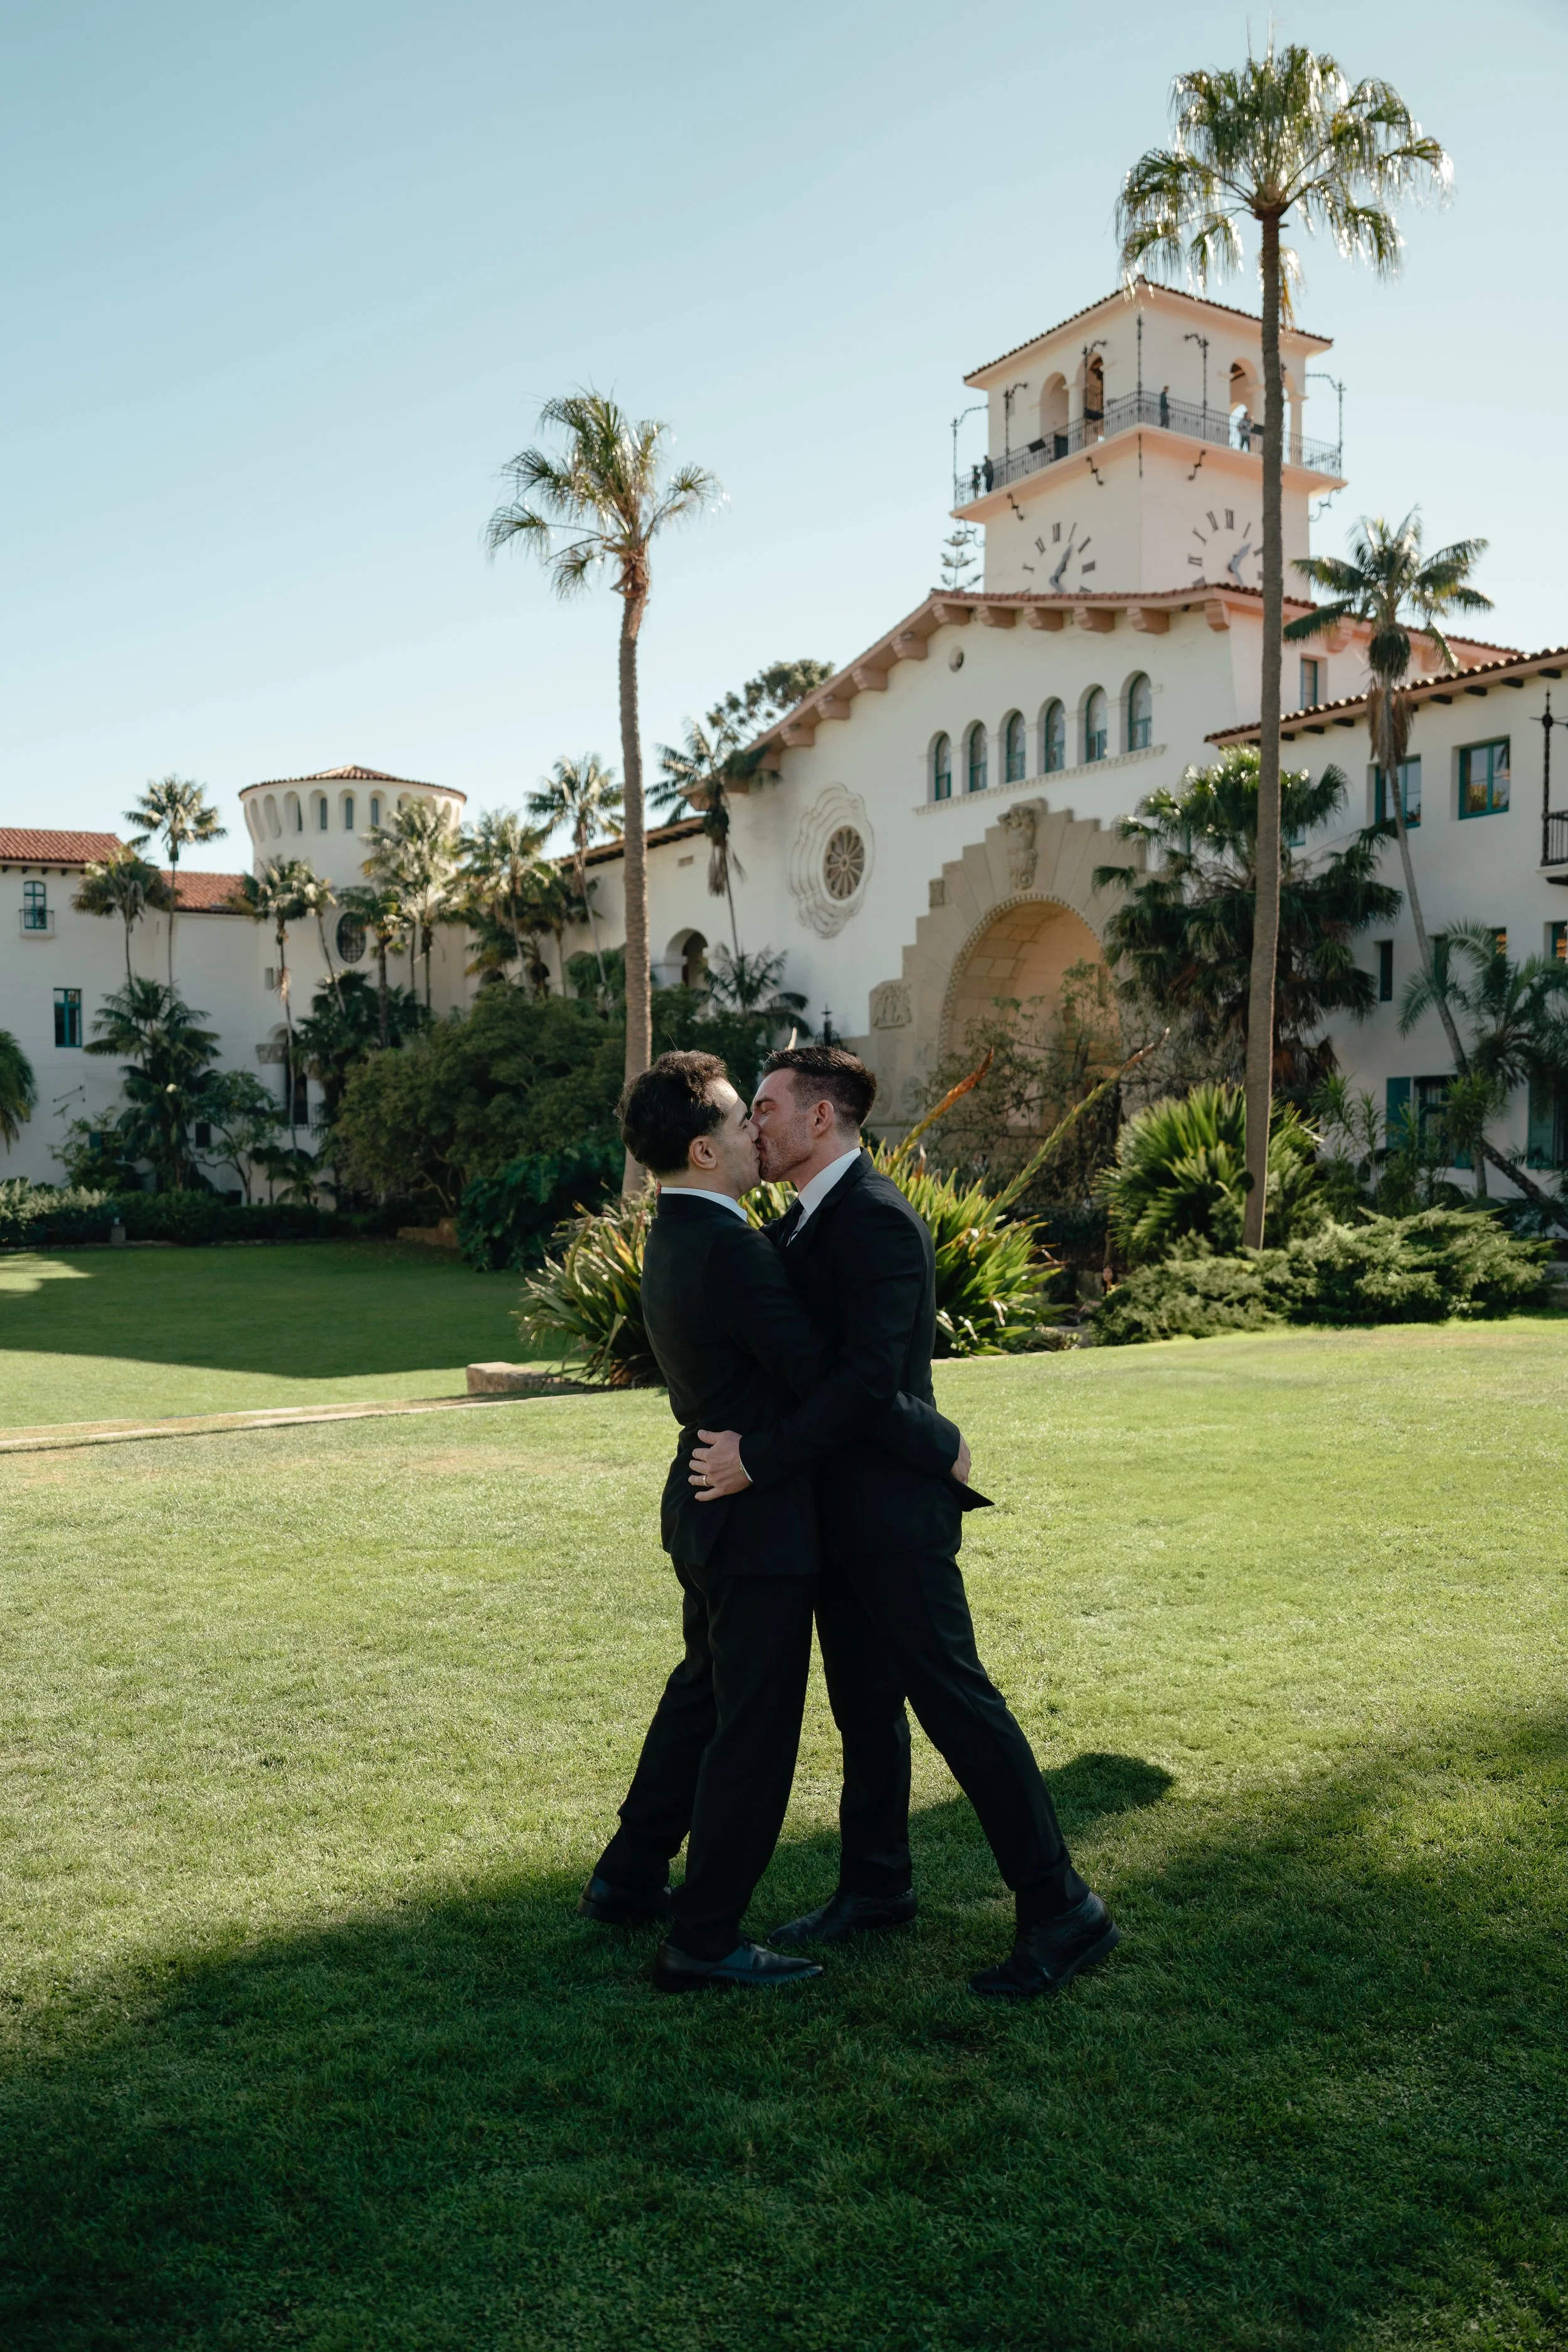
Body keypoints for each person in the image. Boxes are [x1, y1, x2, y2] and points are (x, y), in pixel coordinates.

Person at [691, 1045, 1118, 2001]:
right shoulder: (803, 1219)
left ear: (822, 1119)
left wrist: (767, 1458)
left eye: (765, 1108)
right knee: (866, 1709)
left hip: (892, 1518)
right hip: (838, 1516)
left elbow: (862, 1386)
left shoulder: (876, 1221)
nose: (751, 1124)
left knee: (958, 1704)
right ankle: (878, 1884)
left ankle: (1064, 1908)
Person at [580, 1050, 970, 1993]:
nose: (756, 1131)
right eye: (737, 1119)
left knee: (702, 1695)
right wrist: (940, 1439)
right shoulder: (736, 1252)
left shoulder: (676, 1230)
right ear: (706, 1153)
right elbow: (836, 1385)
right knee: (751, 1731)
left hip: (705, 1504)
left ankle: (629, 1875)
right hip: (752, 1519)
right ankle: (706, 1936)